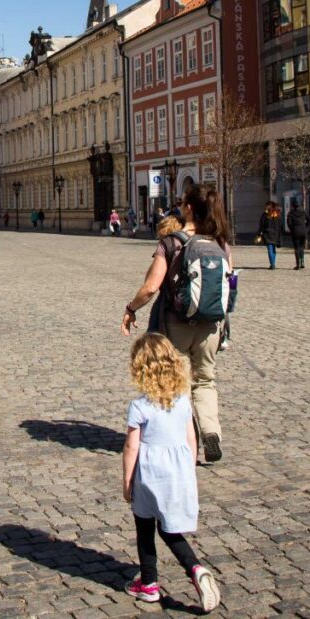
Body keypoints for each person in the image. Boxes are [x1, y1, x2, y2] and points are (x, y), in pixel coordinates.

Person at [121, 185, 233, 463]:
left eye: (183, 202)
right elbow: (228, 283)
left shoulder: (172, 242)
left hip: (177, 322)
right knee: (206, 380)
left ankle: (189, 443)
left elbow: (150, 287)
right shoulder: (220, 242)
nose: (180, 205)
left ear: (190, 208)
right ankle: (211, 432)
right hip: (211, 324)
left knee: (178, 384)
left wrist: (131, 309)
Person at [122, 333, 221, 612]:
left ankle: (150, 584)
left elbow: (131, 447)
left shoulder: (139, 406)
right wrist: (188, 469)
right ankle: (195, 570)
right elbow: (191, 438)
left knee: (145, 527)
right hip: (178, 473)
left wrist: (127, 480)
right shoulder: (182, 401)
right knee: (170, 528)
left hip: (149, 475)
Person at [257, 201, 283, 270]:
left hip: (267, 234)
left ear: (268, 206)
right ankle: (273, 263)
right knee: (273, 249)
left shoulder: (265, 214)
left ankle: (272, 264)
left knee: (270, 249)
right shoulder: (277, 214)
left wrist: (259, 233)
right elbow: (280, 225)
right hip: (275, 234)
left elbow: (262, 225)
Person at [286, 199, 310, 270]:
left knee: (296, 248)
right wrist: (306, 228)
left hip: (295, 231)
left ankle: (298, 264)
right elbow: (309, 220)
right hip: (303, 231)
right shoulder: (303, 212)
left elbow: (289, 224)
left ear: (292, 206)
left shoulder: (290, 213)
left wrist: (292, 230)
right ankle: (302, 262)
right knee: (301, 247)